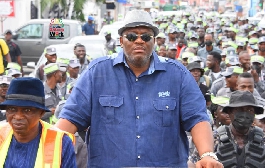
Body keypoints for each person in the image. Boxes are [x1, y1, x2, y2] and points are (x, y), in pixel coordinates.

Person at [56, 10, 223, 167]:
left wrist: (207, 154)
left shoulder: (177, 75)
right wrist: (47, 153)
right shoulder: (97, 73)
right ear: (121, 40)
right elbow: (70, 120)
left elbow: (197, 119)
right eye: (131, 36)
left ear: (154, 41)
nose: (139, 40)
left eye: (146, 36)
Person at [190, 90, 265, 167]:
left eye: (249, 110)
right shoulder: (212, 140)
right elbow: (194, 164)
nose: (244, 114)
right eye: (239, 110)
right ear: (229, 112)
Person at [0, 77, 76, 167]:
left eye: (27, 110)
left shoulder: (62, 142)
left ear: (41, 113)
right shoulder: (1, 134)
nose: (18, 116)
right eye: (12, 109)